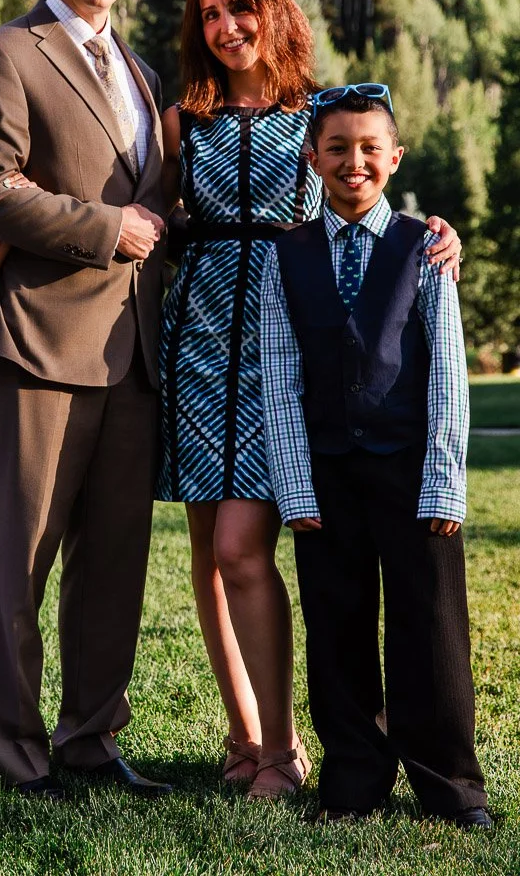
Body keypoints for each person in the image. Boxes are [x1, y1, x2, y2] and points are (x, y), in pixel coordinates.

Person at [156, 0, 462, 798]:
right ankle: (244, 736)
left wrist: (438, 234)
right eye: (211, 15)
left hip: (288, 343)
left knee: (242, 548)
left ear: (274, 13)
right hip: (200, 336)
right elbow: (163, 212)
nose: (227, 29)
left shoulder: (311, 115)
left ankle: (287, 746)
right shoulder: (185, 118)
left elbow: (365, 183)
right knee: (207, 556)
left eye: (241, 10)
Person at [0, 0, 170, 800]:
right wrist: (105, 226)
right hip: (35, 345)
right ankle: (9, 752)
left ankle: (89, 738)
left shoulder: (144, 73)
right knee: (18, 563)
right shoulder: (3, 53)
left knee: (114, 563)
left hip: (134, 355)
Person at [260, 87, 490, 828]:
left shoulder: (425, 246)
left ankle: (450, 787)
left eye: (369, 149)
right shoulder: (286, 255)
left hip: (411, 470)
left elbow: (449, 372)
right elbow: (278, 372)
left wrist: (444, 485)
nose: (352, 162)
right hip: (326, 474)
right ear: (314, 157)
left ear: (393, 158)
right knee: (337, 626)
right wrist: (296, 489)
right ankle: (353, 780)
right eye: (337, 148)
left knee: (429, 629)